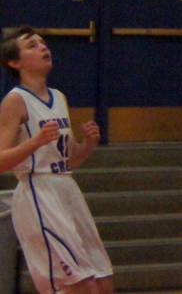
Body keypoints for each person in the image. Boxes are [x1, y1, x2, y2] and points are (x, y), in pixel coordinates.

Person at [0, 27, 114, 294]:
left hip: (67, 189)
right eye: (32, 45)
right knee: (79, 286)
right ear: (14, 62)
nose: (42, 48)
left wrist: (88, 144)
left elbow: (69, 159)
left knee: (103, 283)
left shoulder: (59, 97)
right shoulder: (15, 101)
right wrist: (34, 142)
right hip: (38, 193)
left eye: (42, 43)